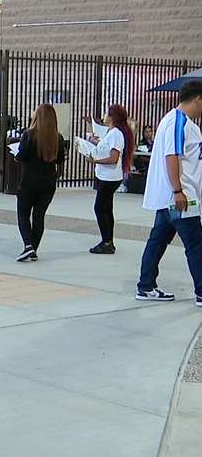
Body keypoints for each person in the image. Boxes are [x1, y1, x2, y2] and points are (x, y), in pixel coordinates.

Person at [135, 80, 202, 304]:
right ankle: (201, 291)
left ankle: (145, 286)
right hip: (179, 198)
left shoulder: (174, 120)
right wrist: (178, 191)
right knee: (195, 244)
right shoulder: (178, 122)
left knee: (158, 240)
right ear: (197, 98)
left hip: (171, 197)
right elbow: (171, 155)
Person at [13, 104, 67, 262]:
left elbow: (21, 156)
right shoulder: (58, 138)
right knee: (39, 216)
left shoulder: (29, 135)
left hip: (30, 182)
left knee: (23, 214)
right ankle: (33, 248)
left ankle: (28, 245)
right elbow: (60, 160)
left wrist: (16, 154)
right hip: (48, 182)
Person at [89, 104, 134, 254]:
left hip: (110, 177)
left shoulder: (116, 134)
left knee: (99, 208)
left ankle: (106, 242)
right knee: (107, 208)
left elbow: (113, 158)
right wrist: (92, 142)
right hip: (105, 175)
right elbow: (105, 149)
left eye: (107, 113)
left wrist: (95, 161)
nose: (105, 115)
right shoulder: (111, 132)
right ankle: (109, 240)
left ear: (113, 116)